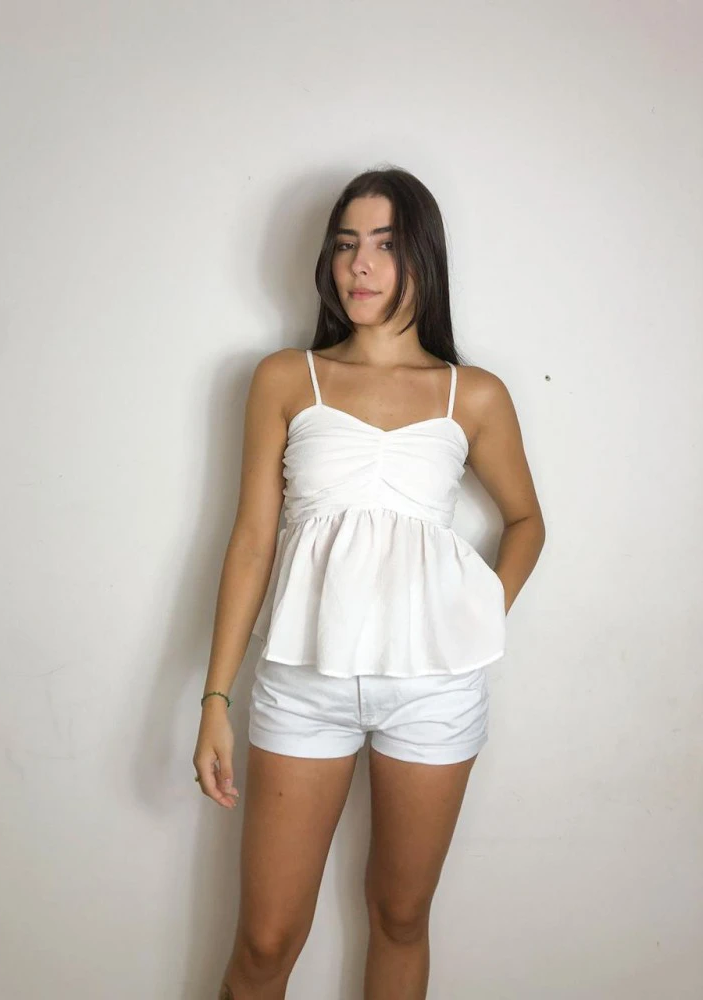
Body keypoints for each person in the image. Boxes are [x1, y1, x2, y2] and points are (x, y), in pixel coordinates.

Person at [194, 166, 546, 1000]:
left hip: (435, 691)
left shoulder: (473, 395)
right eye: (347, 244)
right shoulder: (286, 378)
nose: (360, 263)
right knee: (265, 942)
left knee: (400, 916)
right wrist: (214, 697)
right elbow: (251, 543)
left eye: (385, 245)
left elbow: (527, 522)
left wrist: (474, 612)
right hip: (303, 685)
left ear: (424, 257)